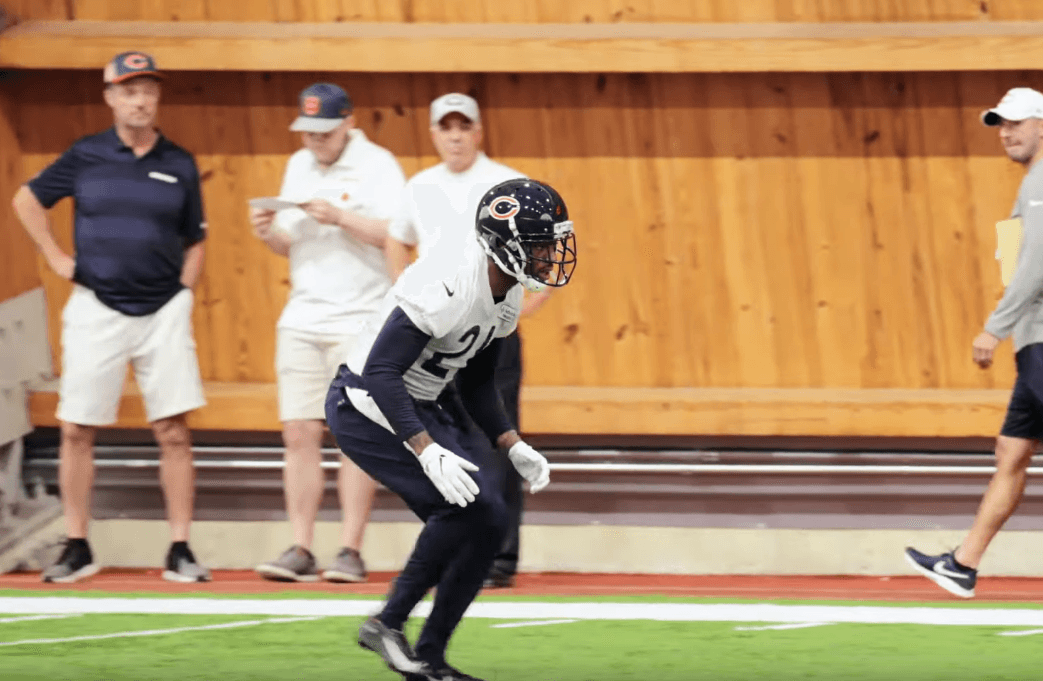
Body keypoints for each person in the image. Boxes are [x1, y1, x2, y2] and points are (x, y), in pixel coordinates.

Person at [326, 178, 576, 680]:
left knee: (489, 520)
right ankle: (388, 623)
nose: (550, 255)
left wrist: (511, 442)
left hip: (422, 401)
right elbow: (380, 372)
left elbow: (478, 382)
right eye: (539, 244)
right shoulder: (449, 282)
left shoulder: (505, 293)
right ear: (506, 243)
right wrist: (425, 448)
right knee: (462, 509)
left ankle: (431, 657)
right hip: (365, 404)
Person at [11, 51, 210, 583]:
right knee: (77, 427)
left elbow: (196, 239)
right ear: (111, 97)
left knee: (173, 430)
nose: (140, 100)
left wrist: (184, 293)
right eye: (129, 91)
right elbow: (27, 200)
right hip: (96, 307)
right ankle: (77, 545)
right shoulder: (85, 154)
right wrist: (56, 258)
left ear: (157, 97)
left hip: (164, 311)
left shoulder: (180, 162)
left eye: (148, 90)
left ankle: (180, 547)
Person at [386, 93, 552, 588]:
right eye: (446, 127)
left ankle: (500, 557)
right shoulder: (420, 186)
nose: (455, 136)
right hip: (436, 334)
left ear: (479, 132)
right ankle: (457, 548)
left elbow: (543, 250)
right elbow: (396, 238)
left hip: (490, 330)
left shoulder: (508, 182)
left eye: (464, 126)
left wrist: (524, 307)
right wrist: (405, 295)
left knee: (498, 436)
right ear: (434, 133)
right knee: (442, 437)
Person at [250, 83, 406, 583]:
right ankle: (300, 546)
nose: (315, 140)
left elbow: (397, 234)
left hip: (360, 317)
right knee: (298, 431)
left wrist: (340, 216)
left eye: (324, 131)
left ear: (348, 123)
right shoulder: (299, 164)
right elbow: (290, 244)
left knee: (354, 434)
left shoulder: (378, 164)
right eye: (308, 131)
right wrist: (268, 233)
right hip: (302, 315)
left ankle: (349, 550)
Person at [905, 87, 1043, 599]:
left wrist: (995, 326)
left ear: (1042, 125)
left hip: (1038, 339)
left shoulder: (1041, 183)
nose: (1006, 133)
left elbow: (1035, 265)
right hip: (1033, 341)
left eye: (1016, 123)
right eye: (1000, 125)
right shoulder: (1032, 184)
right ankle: (963, 564)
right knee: (1011, 451)